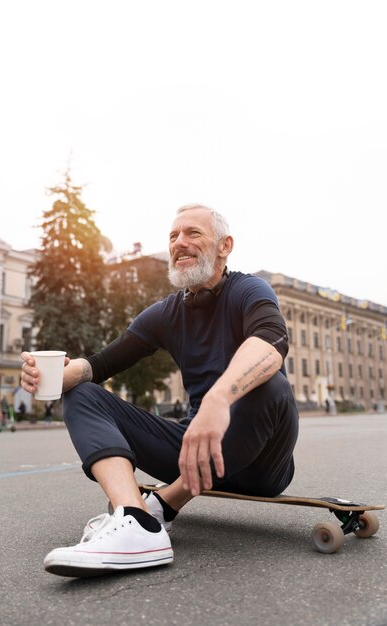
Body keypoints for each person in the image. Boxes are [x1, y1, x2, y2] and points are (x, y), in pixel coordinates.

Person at [20, 204, 299, 578]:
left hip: (261, 462)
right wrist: (50, 378)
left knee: (270, 382)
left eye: (193, 234)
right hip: (192, 449)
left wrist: (219, 399)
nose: (179, 243)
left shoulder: (248, 290)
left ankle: (163, 505)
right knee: (83, 393)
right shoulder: (166, 313)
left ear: (224, 245)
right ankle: (136, 520)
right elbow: (98, 365)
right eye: (172, 237)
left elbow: (271, 342)